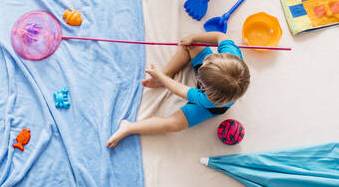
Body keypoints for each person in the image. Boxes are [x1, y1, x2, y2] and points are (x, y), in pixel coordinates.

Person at [106, 32, 250, 148]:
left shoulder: (208, 99)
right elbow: (220, 36)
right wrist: (194, 38)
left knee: (174, 124)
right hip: (218, 84)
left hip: (209, 106)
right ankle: (167, 74)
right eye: (209, 58)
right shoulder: (233, 56)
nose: (203, 60)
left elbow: (179, 89)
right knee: (193, 45)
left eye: (201, 74)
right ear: (222, 56)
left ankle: (130, 127)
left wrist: (161, 77)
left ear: (204, 87)